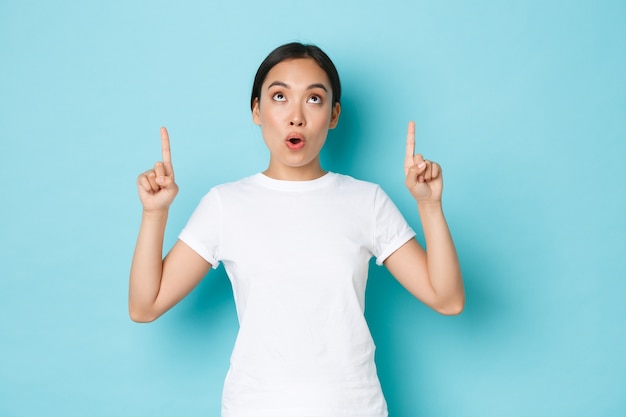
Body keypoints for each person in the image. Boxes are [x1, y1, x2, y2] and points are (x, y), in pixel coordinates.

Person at [129, 42, 464, 417]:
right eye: (279, 97)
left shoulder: (366, 201)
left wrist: (430, 206)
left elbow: (447, 299)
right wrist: (154, 214)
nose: (296, 117)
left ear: (334, 115)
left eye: (315, 100)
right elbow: (145, 306)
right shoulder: (225, 204)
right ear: (256, 110)